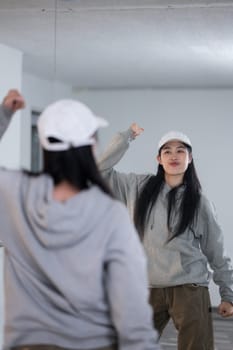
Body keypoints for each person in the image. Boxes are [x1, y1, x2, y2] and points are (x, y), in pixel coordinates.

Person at [0, 91, 160, 350]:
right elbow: (131, 310)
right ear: (92, 144)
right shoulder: (110, 215)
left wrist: (4, 114)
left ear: (43, 144)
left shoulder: (14, 198)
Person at [98, 123, 233, 350]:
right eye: (167, 151)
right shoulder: (137, 187)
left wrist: (227, 293)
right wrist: (126, 136)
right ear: (158, 159)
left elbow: (216, 250)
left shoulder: (199, 203)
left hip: (188, 288)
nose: (174, 156)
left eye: (181, 151)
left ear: (190, 159)